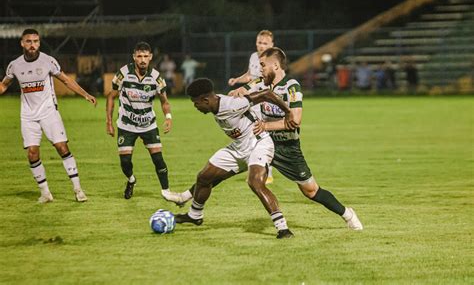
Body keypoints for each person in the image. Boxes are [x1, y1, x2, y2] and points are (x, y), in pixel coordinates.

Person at [173, 48, 363, 231]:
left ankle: (347, 214)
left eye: (263, 65)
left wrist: (267, 125)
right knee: (214, 174)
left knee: (311, 191)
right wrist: (233, 95)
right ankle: (191, 205)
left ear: (276, 66)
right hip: (258, 143)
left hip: (286, 147)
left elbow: (295, 121)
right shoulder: (260, 83)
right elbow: (236, 95)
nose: (260, 69)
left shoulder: (291, 87)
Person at [174, 78, 298, 239]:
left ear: (205, 100)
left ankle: (283, 228)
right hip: (239, 147)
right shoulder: (215, 102)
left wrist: (288, 113)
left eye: (195, 103)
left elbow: (267, 94)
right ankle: (195, 215)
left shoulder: (232, 105)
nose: (195, 106)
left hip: (258, 144)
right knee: (204, 177)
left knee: (255, 183)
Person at [0, 28, 97, 203]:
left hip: (49, 113)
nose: (32, 45)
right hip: (28, 116)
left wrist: (85, 94)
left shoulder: (48, 61)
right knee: (32, 153)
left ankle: (78, 189)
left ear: (39, 43)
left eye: (36, 41)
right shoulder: (15, 65)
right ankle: (45, 193)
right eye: (29, 41)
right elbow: (4, 85)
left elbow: (66, 80)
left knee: (62, 147)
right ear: (22, 43)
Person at [106, 42, 178, 202]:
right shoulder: (123, 74)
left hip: (148, 125)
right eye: (139, 56)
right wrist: (109, 122)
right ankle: (131, 179)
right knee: (125, 162)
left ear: (151, 57)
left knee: (158, 159)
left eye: (146, 56)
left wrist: (168, 118)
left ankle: (166, 191)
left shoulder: (156, 78)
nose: (143, 60)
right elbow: (111, 96)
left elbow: (164, 101)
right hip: (126, 125)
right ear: (134, 57)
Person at [228, 29, 276, 184]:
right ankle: (259, 168)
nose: (261, 46)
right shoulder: (254, 57)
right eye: (259, 42)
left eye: (265, 43)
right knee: (255, 133)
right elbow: (250, 75)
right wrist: (237, 80)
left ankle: (266, 171)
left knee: (265, 135)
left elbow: (265, 81)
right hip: (253, 102)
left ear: (271, 44)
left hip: (267, 101)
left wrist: (245, 89)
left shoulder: (273, 59)